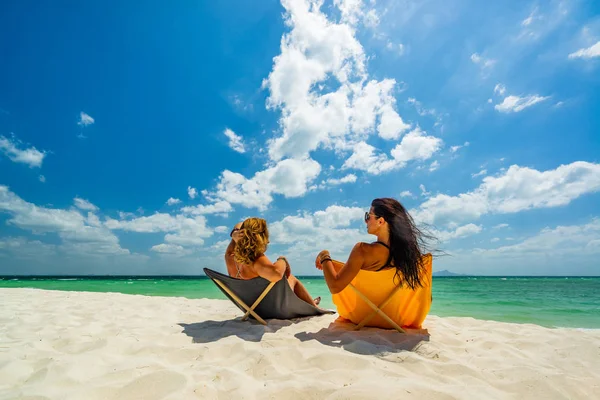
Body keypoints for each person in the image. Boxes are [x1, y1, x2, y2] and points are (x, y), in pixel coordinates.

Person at [315, 197, 432, 295]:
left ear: (380, 221)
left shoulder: (362, 250)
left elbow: (335, 287)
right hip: (395, 317)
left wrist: (324, 255)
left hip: (365, 315)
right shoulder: (405, 257)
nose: (366, 221)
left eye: (368, 216)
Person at [224, 217, 320, 307]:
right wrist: (282, 260)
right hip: (267, 307)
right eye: (265, 235)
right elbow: (277, 274)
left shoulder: (230, 257)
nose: (268, 241)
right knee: (291, 278)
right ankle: (314, 306)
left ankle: (310, 302)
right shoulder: (256, 259)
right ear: (259, 237)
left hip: (248, 306)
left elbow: (239, 224)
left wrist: (234, 234)